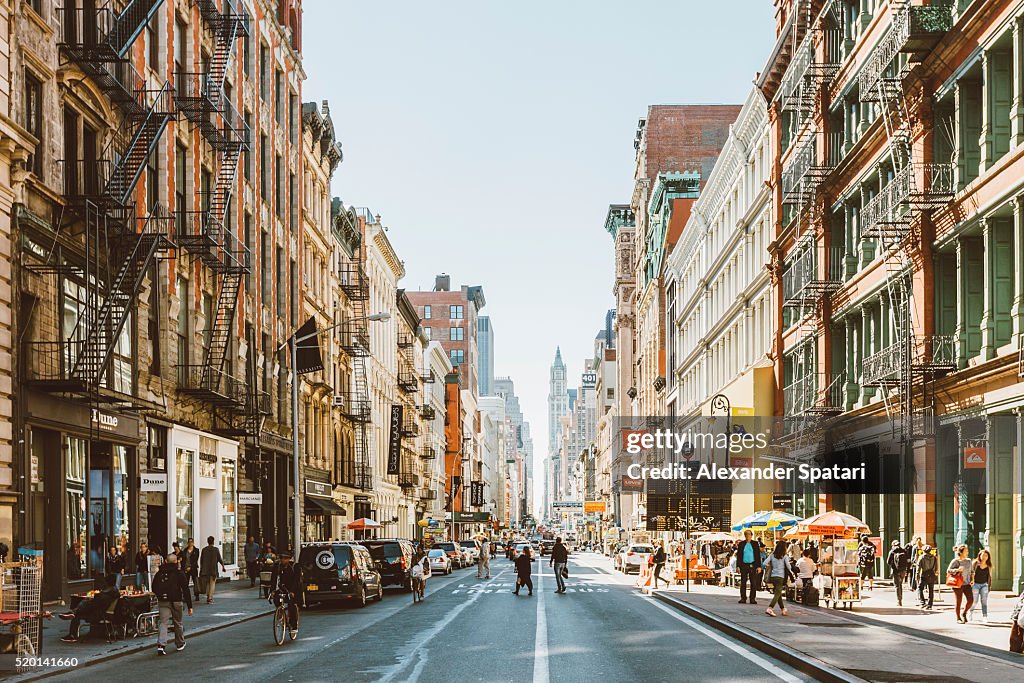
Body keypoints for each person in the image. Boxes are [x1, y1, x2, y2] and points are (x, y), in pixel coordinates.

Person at [151, 553, 193, 655]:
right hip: (176, 600)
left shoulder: (160, 572)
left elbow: (154, 587)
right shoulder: (179, 573)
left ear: (166, 561)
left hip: (163, 601)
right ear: (176, 561)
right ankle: (179, 643)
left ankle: (161, 645)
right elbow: (186, 589)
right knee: (177, 622)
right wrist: (190, 606)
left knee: (163, 622)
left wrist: (160, 595)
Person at [58, 575, 120, 643]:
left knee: (78, 613)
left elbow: (92, 605)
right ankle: (73, 612)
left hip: (99, 615)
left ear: (107, 583)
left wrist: (87, 600)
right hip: (105, 613)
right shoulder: (114, 592)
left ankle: (72, 634)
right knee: (82, 607)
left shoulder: (104, 596)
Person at [270, 551, 302, 637]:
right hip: (282, 588)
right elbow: (273, 579)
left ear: (289, 559)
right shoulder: (277, 566)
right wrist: (272, 590)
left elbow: (296, 580)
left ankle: (294, 625)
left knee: (292, 605)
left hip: (293, 589)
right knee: (276, 599)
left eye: (285, 558)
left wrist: (292, 591)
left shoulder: (295, 566)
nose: (282, 560)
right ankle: (280, 613)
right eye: (281, 558)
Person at [763, 540, 794, 617]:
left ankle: (783, 609)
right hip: (781, 576)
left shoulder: (772, 555)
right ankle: (770, 608)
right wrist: (792, 572)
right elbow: (788, 566)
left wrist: (770, 565)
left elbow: (764, 563)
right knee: (777, 593)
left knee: (778, 593)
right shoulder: (785, 556)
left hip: (773, 576)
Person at [947, 544, 974, 623]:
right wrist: (957, 570)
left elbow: (972, 572)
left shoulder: (969, 561)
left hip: (967, 584)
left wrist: (972, 580)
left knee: (970, 600)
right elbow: (948, 570)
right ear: (961, 552)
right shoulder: (955, 561)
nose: (967, 552)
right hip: (957, 584)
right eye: (966, 551)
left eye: (967, 551)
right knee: (959, 601)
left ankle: (964, 613)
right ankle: (958, 618)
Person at [735, 530, 761, 605]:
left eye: (749, 534)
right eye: (746, 534)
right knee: (743, 581)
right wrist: (738, 566)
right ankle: (743, 598)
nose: (747, 536)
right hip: (743, 565)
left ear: (751, 535)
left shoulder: (755, 544)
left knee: (753, 582)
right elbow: (739, 556)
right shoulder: (741, 544)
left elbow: (757, 555)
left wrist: (759, 566)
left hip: (752, 565)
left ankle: (752, 598)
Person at [199, 536, 226, 604]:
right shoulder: (216, 549)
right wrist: (223, 566)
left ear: (208, 542)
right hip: (213, 569)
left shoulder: (204, 550)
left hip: (205, 570)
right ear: (213, 541)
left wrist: (201, 569)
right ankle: (210, 597)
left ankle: (208, 595)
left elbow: (201, 561)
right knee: (212, 583)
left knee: (208, 583)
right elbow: (219, 559)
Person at [886, 540, 911, 607]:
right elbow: (908, 561)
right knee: (900, 584)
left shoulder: (892, 551)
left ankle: (899, 600)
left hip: (895, 571)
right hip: (903, 570)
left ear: (893, 545)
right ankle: (900, 599)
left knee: (897, 586)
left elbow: (888, 562)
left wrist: (893, 564)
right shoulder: (904, 551)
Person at [971, 549, 993, 623]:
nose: (984, 557)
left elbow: (990, 577)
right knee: (974, 601)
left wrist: (989, 586)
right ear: (979, 555)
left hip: (984, 585)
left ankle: (985, 616)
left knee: (984, 601)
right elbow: (971, 573)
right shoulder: (975, 563)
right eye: (983, 555)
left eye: (986, 555)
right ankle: (970, 613)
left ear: (988, 557)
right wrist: (971, 581)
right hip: (975, 585)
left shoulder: (989, 566)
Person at [916, 544, 938, 609]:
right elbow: (936, 567)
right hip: (931, 574)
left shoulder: (921, 557)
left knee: (920, 588)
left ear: (923, 551)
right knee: (931, 589)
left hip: (924, 574)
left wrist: (917, 577)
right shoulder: (934, 557)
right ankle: (930, 604)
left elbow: (918, 568)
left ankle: (922, 602)